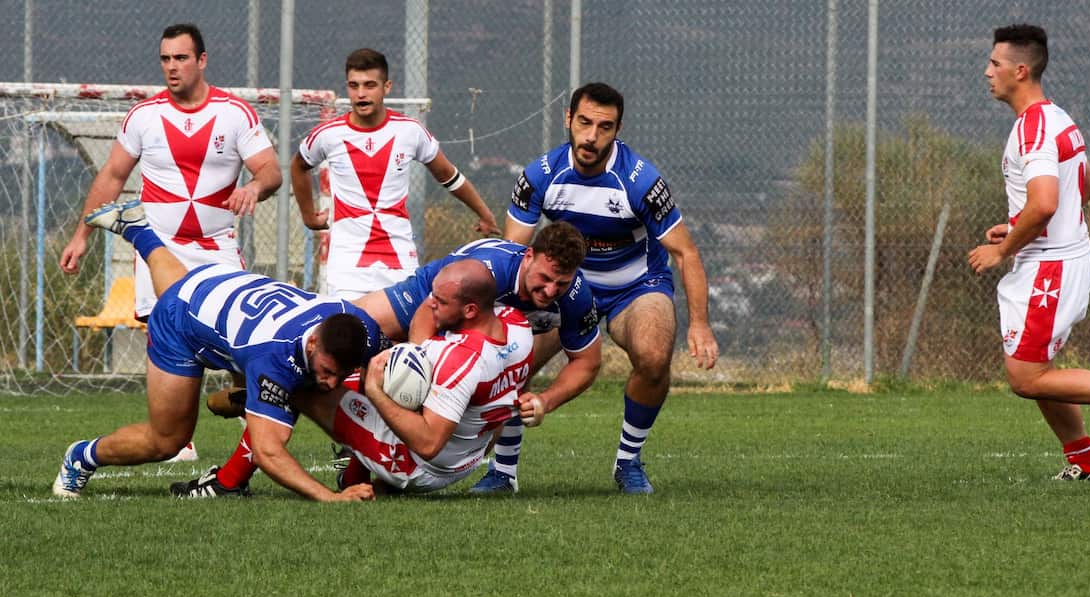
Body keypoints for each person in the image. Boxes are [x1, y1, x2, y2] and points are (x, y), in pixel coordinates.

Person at [188, 221, 601, 496]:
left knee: (429, 397)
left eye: (559, 284)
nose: (549, 292)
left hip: (474, 344)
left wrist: (545, 400)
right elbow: (430, 308)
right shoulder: (486, 271)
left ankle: (337, 459)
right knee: (331, 354)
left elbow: (587, 362)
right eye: (543, 279)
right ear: (528, 257)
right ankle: (237, 463)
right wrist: (419, 363)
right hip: (421, 298)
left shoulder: (574, 298)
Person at [52, 199, 381, 502]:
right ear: (312, 343)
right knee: (166, 440)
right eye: (326, 371)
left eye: (340, 375)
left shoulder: (354, 323)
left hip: (219, 283)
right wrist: (331, 497)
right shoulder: (274, 355)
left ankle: (140, 231)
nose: (331, 383)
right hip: (180, 323)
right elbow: (269, 453)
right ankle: (82, 456)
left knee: (184, 289)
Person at [967, 24, 1090, 481]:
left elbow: (1045, 202)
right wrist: (1019, 228)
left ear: (1020, 70)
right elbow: (1086, 185)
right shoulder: (1056, 117)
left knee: (1026, 377)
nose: (987, 72)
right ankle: (1084, 461)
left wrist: (1004, 250)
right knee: (1038, 371)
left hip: (1050, 270)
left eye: (995, 64)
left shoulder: (1034, 128)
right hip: (1058, 260)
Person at [504, 82, 718, 494]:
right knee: (511, 361)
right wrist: (503, 325)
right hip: (565, 289)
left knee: (655, 359)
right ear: (568, 119)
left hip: (635, 285)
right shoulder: (540, 176)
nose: (591, 136)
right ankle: (503, 473)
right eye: (584, 123)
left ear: (617, 129)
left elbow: (686, 253)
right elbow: (514, 254)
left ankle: (628, 462)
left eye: (605, 127)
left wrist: (700, 324)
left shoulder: (640, 181)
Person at [59, 23, 282, 314]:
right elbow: (113, 175)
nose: (172, 67)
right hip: (159, 250)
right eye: (165, 59)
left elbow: (271, 171)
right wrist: (81, 236)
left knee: (227, 346)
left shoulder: (234, 113)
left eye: (181, 58)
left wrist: (254, 186)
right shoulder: (143, 115)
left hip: (216, 249)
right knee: (163, 346)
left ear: (202, 60)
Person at [300, 259, 535, 495]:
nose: (430, 304)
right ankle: (376, 480)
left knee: (309, 387)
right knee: (397, 374)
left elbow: (428, 444)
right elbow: (425, 312)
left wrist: (374, 390)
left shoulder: (457, 359)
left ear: (470, 310)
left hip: (420, 466)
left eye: (441, 302)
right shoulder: (516, 324)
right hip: (470, 453)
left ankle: (352, 479)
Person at [290, 47, 499, 299]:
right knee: (350, 332)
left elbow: (448, 174)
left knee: (406, 334)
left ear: (386, 87)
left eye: (369, 85)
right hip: (347, 264)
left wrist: (484, 213)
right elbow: (299, 165)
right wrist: (308, 216)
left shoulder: (410, 131)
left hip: (399, 259)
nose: (361, 94)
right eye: (353, 86)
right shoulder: (328, 134)